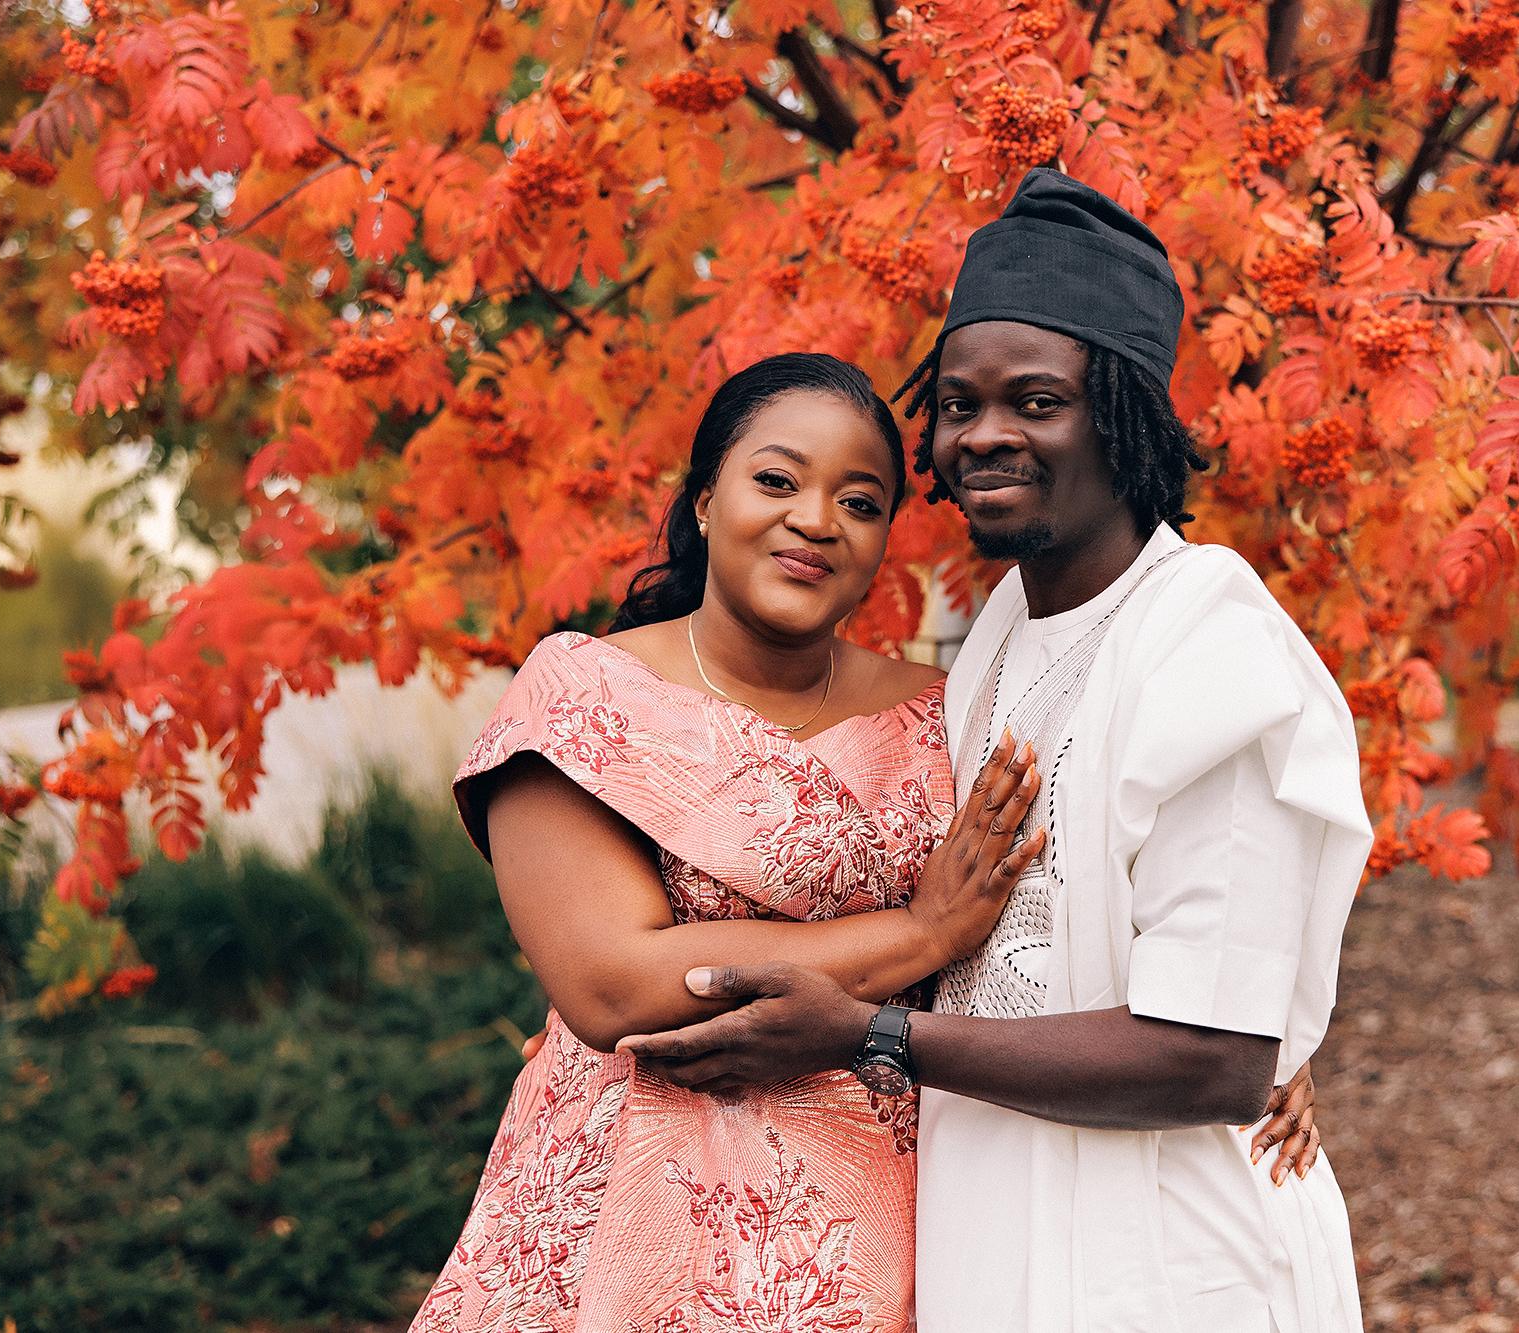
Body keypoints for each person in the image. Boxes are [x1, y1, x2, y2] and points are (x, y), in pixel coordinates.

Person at [620, 169, 1375, 1332]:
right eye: (959, 404)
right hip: (993, 1243)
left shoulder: (1211, 651)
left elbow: (1215, 1060)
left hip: (1167, 1269)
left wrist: (871, 1035)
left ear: (1117, 413)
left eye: (1034, 400)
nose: (982, 435)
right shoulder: (994, 641)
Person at [409, 353, 1050, 1332]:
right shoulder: (586, 698)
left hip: (907, 1228)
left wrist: (1246, 1033)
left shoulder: (944, 717)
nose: (815, 520)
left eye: (860, 501)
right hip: (640, 1224)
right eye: (776, 480)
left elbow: (1060, 892)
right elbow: (614, 984)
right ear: (705, 501)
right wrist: (918, 938)